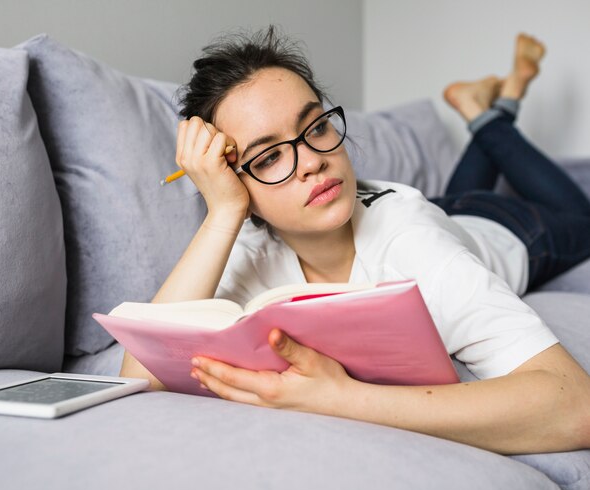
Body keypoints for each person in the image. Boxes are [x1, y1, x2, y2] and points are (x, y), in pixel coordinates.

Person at [120, 27, 590, 454]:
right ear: (237, 184)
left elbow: (575, 408)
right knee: (452, 198)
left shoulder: (413, 244)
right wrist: (223, 212)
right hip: (442, 209)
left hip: (509, 229)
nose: (311, 162)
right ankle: (490, 105)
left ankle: (488, 112)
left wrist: (343, 398)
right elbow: (141, 376)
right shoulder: (251, 244)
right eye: (267, 158)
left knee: (581, 216)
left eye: (317, 126)